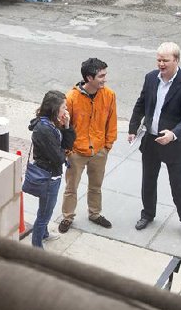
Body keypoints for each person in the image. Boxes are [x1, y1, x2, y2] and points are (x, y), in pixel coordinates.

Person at [128, 41, 181, 242]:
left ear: (176, 60)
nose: (161, 64)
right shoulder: (151, 78)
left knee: (178, 185)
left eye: (165, 60)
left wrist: (174, 133)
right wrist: (133, 128)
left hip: (174, 145)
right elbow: (141, 104)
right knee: (148, 181)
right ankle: (147, 214)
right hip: (150, 141)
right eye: (158, 59)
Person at [58, 58, 117, 234]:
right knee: (71, 188)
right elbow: (63, 126)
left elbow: (111, 122)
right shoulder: (71, 98)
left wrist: (107, 145)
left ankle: (95, 214)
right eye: (101, 76)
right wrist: (69, 150)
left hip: (99, 150)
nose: (104, 79)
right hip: (77, 152)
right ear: (89, 78)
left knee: (96, 186)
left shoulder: (109, 95)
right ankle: (67, 217)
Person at [28, 90, 76, 248]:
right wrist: (64, 154)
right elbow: (59, 157)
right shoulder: (44, 129)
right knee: (44, 213)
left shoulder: (51, 123)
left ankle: (45, 233)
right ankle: (36, 246)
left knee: (46, 208)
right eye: (64, 107)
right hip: (48, 176)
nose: (66, 111)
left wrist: (67, 125)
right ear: (54, 108)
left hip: (52, 174)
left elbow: (66, 145)